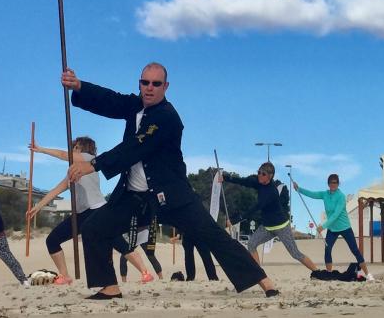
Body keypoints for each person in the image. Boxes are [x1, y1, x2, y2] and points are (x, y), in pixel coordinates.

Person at [62, 62, 278, 300]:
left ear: (165, 86)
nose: (149, 88)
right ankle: (109, 287)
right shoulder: (134, 105)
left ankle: (264, 281)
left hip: (171, 194)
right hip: (134, 195)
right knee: (94, 228)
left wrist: (92, 164)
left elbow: (136, 146)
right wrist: (79, 86)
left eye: (156, 84)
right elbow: (110, 99)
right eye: (145, 82)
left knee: (212, 235)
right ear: (140, 83)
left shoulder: (167, 116)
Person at [29, 135, 157, 285]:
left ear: (82, 148)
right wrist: (37, 207)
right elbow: (56, 190)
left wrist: (41, 149)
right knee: (52, 240)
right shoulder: (73, 171)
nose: (72, 150)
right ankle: (65, 276)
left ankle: (145, 272)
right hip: (81, 215)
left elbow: (65, 155)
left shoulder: (88, 159)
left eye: (75, 147)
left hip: (97, 210)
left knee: (118, 242)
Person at [222, 162, 320, 272]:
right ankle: (259, 274)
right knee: (251, 244)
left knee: (295, 253)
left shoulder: (271, 192)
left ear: (270, 176)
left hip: (281, 227)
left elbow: (255, 208)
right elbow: (243, 181)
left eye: (263, 174)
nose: (259, 175)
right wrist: (225, 178)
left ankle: (317, 272)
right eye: (258, 172)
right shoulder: (258, 182)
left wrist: (235, 220)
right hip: (267, 227)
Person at [294, 174, 365, 271]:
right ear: (328, 184)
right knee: (327, 250)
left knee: (354, 250)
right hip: (332, 229)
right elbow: (312, 194)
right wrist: (299, 189)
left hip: (345, 227)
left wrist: (323, 226)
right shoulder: (325, 194)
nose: (333, 184)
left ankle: (367, 274)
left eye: (335, 182)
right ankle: (329, 273)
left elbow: (335, 215)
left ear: (338, 183)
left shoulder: (341, 196)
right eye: (331, 182)